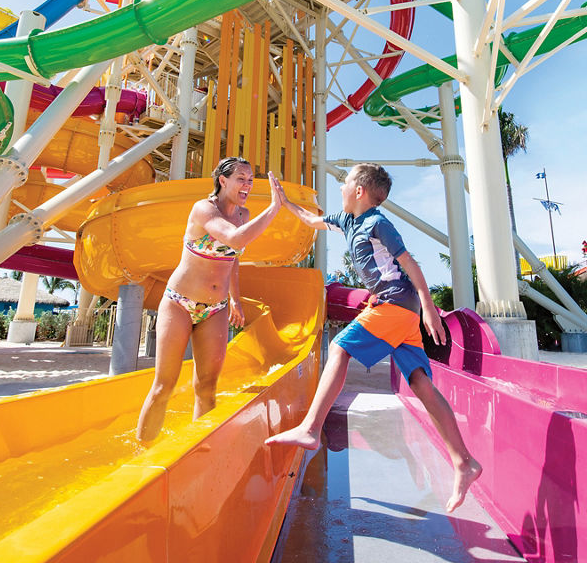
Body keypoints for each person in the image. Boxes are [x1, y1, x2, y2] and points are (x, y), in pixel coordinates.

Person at [264, 163, 483, 512]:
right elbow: (312, 220)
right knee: (422, 384)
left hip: (398, 304)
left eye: (345, 182)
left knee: (338, 348)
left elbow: (410, 264)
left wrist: (428, 307)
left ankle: (310, 428)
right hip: (398, 309)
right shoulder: (348, 221)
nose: (340, 187)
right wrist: (284, 202)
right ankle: (464, 461)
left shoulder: (378, 224)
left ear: (360, 191)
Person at [136, 157, 283, 442]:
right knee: (163, 386)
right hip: (179, 301)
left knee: (206, 386)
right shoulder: (203, 209)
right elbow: (236, 240)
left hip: (215, 309)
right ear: (222, 180)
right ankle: (143, 454)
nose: (247, 184)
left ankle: (198, 450)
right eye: (241, 178)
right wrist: (275, 207)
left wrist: (235, 300)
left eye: (251, 179)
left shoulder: (243, 214)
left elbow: (233, 257)